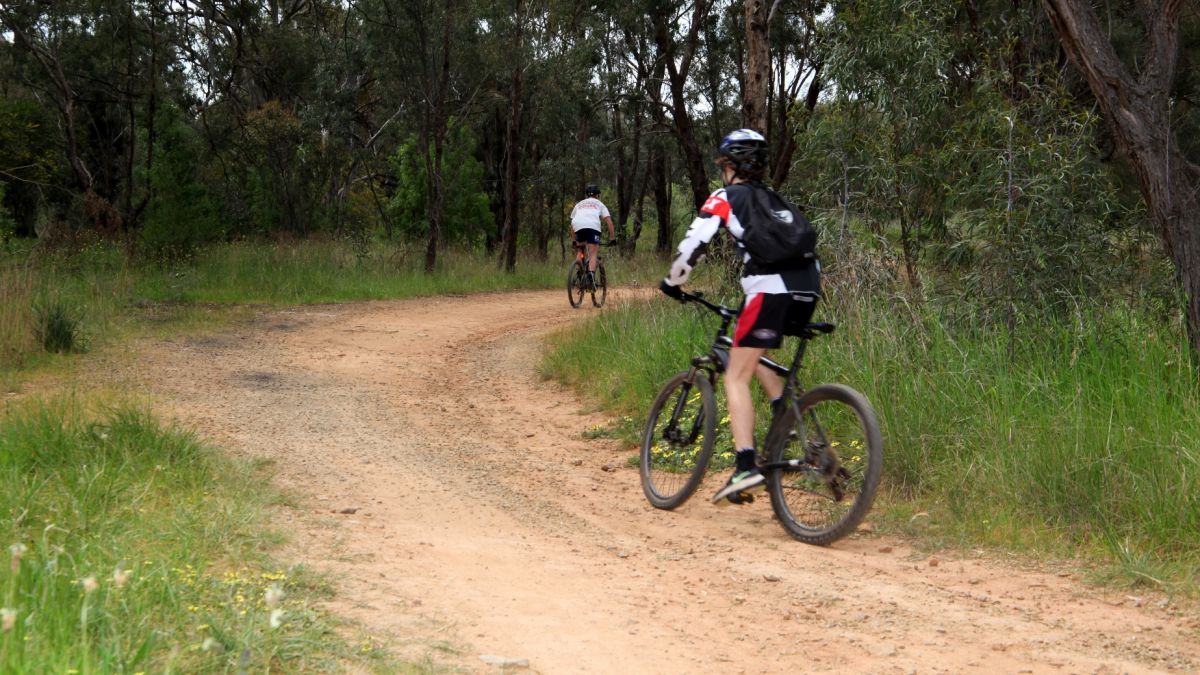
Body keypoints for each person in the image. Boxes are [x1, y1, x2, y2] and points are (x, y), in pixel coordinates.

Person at [659, 129, 821, 504]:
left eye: (724, 166)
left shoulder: (726, 197)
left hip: (769, 290)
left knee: (735, 375)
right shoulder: (776, 199)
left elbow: (695, 243)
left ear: (731, 166)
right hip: (808, 289)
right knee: (753, 349)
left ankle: (745, 466)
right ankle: (785, 415)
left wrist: (673, 281)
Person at [569, 185, 617, 288]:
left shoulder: (579, 204)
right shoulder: (600, 204)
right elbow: (608, 221)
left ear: (587, 195)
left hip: (578, 226)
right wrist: (612, 238)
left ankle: (578, 274)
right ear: (598, 195)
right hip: (592, 227)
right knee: (592, 253)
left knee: (580, 250)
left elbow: (573, 223)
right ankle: (590, 278)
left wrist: (573, 240)